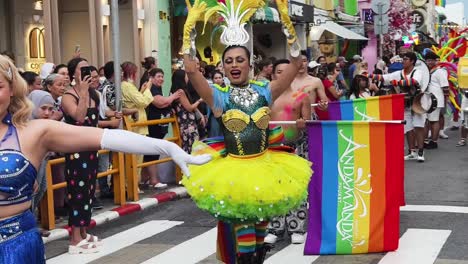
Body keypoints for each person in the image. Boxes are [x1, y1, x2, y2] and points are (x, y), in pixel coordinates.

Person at [0, 54, 211, 262]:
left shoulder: (33, 132)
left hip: (16, 248)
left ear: (12, 90)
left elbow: (108, 137)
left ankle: (80, 234)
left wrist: (167, 147)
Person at [265, 59, 311, 245]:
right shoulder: (266, 97)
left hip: (296, 146)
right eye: (279, 71)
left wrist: (303, 123)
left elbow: (308, 122)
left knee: (297, 189)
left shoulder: (302, 97)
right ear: (273, 74)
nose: (282, 75)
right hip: (273, 147)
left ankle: (297, 227)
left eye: (286, 71)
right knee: (274, 188)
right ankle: (275, 227)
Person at [369, 52, 426, 162]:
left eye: (406, 59)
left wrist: (398, 82)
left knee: (419, 126)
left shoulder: (418, 71)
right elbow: (384, 77)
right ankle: (412, 151)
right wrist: (369, 75)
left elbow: (414, 81)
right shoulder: (399, 73)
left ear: (412, 61)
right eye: (403, 59)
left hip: (418, 102)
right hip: (405, 103)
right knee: (408, 128)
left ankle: (421, 151)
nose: (403, 61)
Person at [141, 68, 179, 188]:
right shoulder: (150, 88)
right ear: (151, 77)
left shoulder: (157, 88)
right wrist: (173, 96)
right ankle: (154, 180)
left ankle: (145, 179)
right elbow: (159, 102)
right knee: (152, 151)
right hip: (152, 124)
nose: (161, 79)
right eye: (158, 76)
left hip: (158, 124)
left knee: (152, 152)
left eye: (162, 76)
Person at [170, 69, 204, 153]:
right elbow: (189, 108)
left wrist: (200, 114)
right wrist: (200, 100)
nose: (187, 78)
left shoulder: (174, 91)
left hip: (184, 123)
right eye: (186, 76)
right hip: (188, 124)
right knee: (192, 148)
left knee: (188, 146)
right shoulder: (181, 92)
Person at [291, 52, 328, 120]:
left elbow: (326, 103)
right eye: (298, 61)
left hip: (310, 118)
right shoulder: (287, 82)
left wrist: (323, 106)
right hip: (291, 119)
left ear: (307, 62)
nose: (301, 64)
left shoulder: (316, 81)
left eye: (304, 61)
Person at [424, 52, 449, 149]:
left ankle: (434, 142)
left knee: (434, 121)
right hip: (427, 100)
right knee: (427, 121)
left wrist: (445, 100)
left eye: (431, 60)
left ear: (435, 61)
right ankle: (426, 141)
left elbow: (445, 86)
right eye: (427, 60)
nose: (429, 62)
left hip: (436, 100)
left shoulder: (440, 71)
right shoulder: (428, 71)